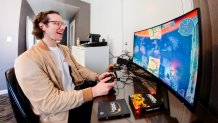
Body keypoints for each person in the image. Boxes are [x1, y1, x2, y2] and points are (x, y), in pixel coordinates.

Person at [14, 10, 115, 123]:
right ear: (42, 26)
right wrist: (93, 92)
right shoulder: (27, 60)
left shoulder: (64, 49)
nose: (62, 28)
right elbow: (50, 102)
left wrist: (97, 77)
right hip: (61, 113)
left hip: (75, 95)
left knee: (111, 105)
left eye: (63, 24)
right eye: (57, 23)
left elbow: (78, 68)